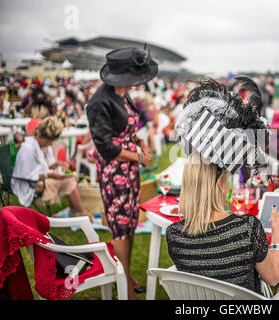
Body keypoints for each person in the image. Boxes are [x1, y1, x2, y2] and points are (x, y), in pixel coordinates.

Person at [87, 47, 158, 300]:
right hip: (114, 171)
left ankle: (125, 275)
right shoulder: (98, 102)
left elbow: (128, 129)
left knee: (129, 222)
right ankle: (124, 285)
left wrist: (141, 143)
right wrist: (138, 156)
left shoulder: (123, 96)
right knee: (118, 225)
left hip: (129, 169)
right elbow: (105, 146)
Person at [166, 152, 279, 294]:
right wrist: (276, 229)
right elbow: (273, 278)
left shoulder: (174, 233)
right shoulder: (247, 228)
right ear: (220, 184)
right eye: (227, 180)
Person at [11, 117, 90, 219]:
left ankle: (75, 211)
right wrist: (50, 174)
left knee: (71, 178)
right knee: (69, 181)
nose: (51, 144)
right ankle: (83, 214)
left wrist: (58, 164)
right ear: (40, 136)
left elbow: (43, 167)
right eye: (49, 141)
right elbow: (25, 175)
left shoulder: (39, 145)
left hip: (37, 180)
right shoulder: (28, 149)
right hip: (27, 185)